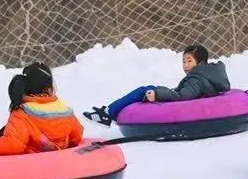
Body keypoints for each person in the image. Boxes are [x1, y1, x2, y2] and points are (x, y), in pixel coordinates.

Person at [83, 45, 231, 126]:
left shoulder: (196, 79)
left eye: (189, 61)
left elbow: (182, 97)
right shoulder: (204, 75)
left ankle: (107, 114)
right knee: (150, 88)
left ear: (200, 63)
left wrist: (158, 95)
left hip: (181, 104)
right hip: (185, 96)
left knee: (144, 90)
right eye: (183, 61)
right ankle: (108, 111)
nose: (185, 65)